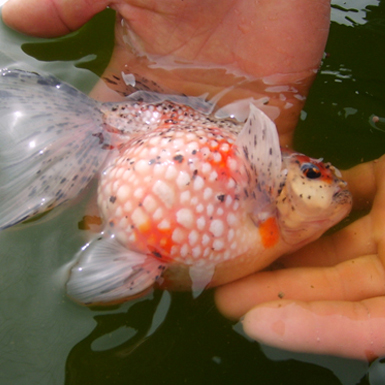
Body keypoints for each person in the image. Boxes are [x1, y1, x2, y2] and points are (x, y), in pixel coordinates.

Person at [2, 0, 385, 361]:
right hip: (145, 142)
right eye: (312, 173)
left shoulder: (274, 222)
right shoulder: (264, 186)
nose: (329, 185)